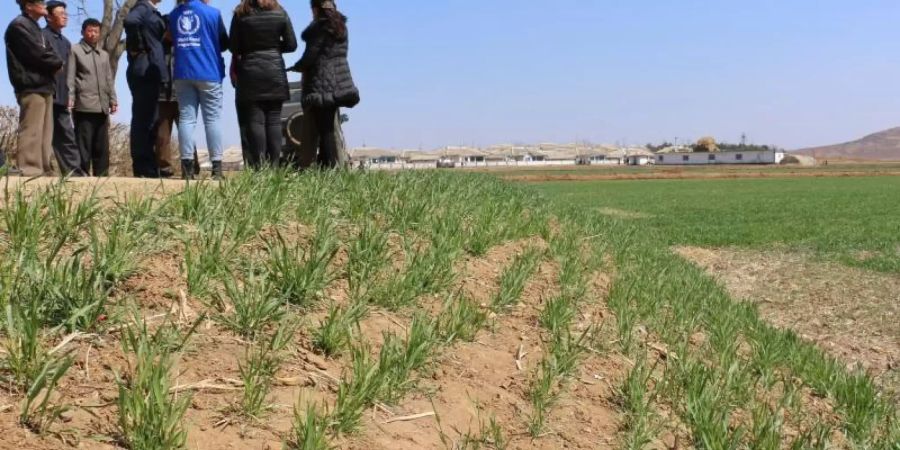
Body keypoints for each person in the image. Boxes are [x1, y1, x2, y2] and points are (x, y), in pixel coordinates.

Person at [289, 0, 359, 169]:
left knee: (324, 130)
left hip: (320, 82)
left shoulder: (319, 28)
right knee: (329, 127)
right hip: (338, 81)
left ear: (316, 9)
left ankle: (331, 169)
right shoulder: (340, 27)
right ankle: (331, 167)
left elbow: (310, 56)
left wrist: (296, 67)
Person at [230, 0, 297, 169]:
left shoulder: (240, 13)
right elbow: (292, 45)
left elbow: (233, 46)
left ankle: (260, 167)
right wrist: (273, 46)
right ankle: (274, 166)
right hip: (274, 71)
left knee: (255, 120)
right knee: (274, 120)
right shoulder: (280, 11)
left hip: (250, 72)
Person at [169, 0, 229, 180]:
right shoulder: (213, 13)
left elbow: (171, 38)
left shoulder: (174, 15)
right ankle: (216, 169)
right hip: (209, 72)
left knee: (186, 119)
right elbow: (224, 43)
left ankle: (187, 169)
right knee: (212, 120)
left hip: (183, 72)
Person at [5, 0, 64, 177]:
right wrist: (57, 63)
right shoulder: (18, 26)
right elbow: (36, 53)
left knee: (46, 130)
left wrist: (55, 61)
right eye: (40, 2)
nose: (44, 5)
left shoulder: (36, 27)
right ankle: (29, 167)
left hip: (44, 84)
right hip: (30, 83)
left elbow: (51, 51)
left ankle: (43, 167)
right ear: (28, 5)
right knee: (32, 127)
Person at [67, 18, 117, 176]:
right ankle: (82, 176)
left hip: (102, 106)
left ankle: (102, 176)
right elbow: (70, 76)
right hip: (84, 104)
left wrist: (113, 99)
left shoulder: (103, 54)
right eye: (90, 30)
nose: (93, 34)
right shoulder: (75, 50)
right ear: (83, 32)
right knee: (83, 145)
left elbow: (109, 79)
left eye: (96, 31)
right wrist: (71, 97)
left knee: (101, 146)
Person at [124, 0, 166, 178]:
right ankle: (142, 165)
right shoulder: (143, 7)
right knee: (143, 119)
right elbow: (130, 21)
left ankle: (148, 164)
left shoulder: (152, 10)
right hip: (144, 66)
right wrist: (139, 45)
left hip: (150, 66)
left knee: (151, 118)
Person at [43, 1, 82, 176]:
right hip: (45, 94)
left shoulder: (66, 42)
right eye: (61, 13)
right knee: (42, 135)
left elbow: (69, 72)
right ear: (49, 17)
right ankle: (41, 170)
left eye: (65, 13)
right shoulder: (41, 36)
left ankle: (73, 172)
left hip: (62, 95)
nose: (65, 16)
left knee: (67, 135)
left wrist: (69, 94)